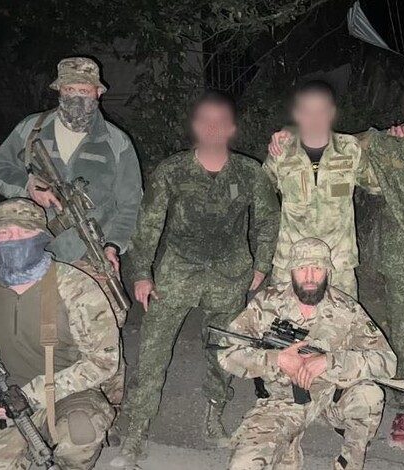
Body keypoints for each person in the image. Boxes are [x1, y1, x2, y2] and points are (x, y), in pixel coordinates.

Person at [268, 71, 404, 459]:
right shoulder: (295, 150)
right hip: (331, 267)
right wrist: (287, 134)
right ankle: (383, 410)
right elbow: (269, 182)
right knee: (389, 344)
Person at [111, 90, 280, 468]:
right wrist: (142, 273)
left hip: (229, 274)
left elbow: (269, 219)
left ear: (231, 128)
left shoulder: (250, 172)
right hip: (178, 272)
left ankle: (214, 413)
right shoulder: (172, 171)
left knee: (222, 349)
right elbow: (148, 225)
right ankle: (136, 428)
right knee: (153, 349)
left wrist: (261, 265)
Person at [0, 198, 121, 470]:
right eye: (5, 233)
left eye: (24, 232)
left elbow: (103, 362)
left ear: (42, 237)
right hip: (5, 402)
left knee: (82, 429)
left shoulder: (75, 286)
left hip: (69, 394)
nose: (15, 240)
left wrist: (31, 395)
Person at [219, 237, 397, 470]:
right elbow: (226, 351)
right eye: (302, 268)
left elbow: (386, 361)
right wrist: (277, 359)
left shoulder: (347, 309)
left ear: (328, 272)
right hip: (282, 402)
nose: (310, 277)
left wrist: (328, 362)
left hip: (332, 396)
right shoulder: (267, 303)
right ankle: (288, 445)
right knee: (243, 465)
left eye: (317, 268)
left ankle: (350, 463)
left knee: (369, 395)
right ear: (291, 271)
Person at [0, 56, 143, 277]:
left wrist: (114, 246)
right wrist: (26, 184)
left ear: (98, 92)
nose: (76, 97)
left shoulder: (116, 141)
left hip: (93, 252)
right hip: (33, 250)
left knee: (105, 300)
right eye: (70, 89)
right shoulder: (31, 129)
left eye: (84, 91)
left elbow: (131, 204)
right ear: (59, 90)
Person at [262, 80, 379, 298]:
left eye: (321, 111)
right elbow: (258, 191)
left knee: (343, 317)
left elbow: (378, 185)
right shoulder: (282, 151)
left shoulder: (350, 149)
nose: (314, 118)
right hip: (292, 261)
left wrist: (392, 141)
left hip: (338, 262)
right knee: (282, 317)